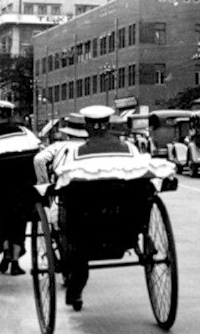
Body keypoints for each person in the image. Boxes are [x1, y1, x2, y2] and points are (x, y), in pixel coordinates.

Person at [53, 105, 151, 311]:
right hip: (126, 220)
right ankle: (142, 231)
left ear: (86, 127)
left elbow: (65, 183)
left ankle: (76, 288)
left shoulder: (76, 152)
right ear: (109, 125)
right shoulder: (130, 149)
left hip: (88, 223)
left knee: (73, 223)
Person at [0, 100, 42, 275]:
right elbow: (38, 153)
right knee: (19, 220)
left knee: (3, 218)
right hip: (22, 187)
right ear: (10, 116)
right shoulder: (25, 133)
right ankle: (15, 261)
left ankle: (5, 252)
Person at [33, 113, 88, 186]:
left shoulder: (58, 146)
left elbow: (38, 159)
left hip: (62, 186)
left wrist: (44, 183)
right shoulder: (92, 147)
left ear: (68, 133)